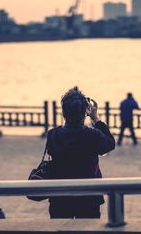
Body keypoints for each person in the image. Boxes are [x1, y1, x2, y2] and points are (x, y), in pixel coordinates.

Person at [46, 86, 115, 219]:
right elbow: (110, 144)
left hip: (60, 197)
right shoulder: (92, 135)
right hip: (88, 197)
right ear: (85, 112)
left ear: (64, 112)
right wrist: (96, 118)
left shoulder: (53, 135)